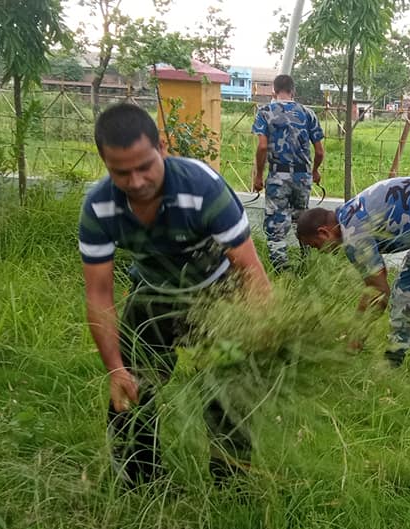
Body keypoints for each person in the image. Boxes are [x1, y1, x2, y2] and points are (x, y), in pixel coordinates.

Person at [78, 103, 272, 488]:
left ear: (162, 148)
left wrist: (264, 334)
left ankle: (232, 486)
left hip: (218, 294)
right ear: (104, 163)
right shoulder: (99, 207)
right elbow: (99, 294)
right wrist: (115, 369)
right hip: (153, 294)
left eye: (144, 166)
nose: (135, 181)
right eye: (121, 172)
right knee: (132, 390)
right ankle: (140, 483)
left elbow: (250, 272)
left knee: (228, 392)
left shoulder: (203, 188)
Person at [296, 177, 410, 390]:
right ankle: (393, 361)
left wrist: (357, 335)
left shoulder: (353, 234)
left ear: (324, 232)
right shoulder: (347, 217)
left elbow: (378, 293)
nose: (322, 252)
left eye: (317, 246)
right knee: (403, 296)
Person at [252, 74, 325, 272]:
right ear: (293, 91)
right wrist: (315, 171)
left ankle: (281, 271)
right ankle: (305, 265)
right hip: (303, 177)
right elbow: (319, 151)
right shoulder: (308, 113)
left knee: (276, 225)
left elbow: (262, 147)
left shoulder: (265, 112)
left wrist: (259, 175)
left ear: (274, 91)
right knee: (301, 221)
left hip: (278, 175)